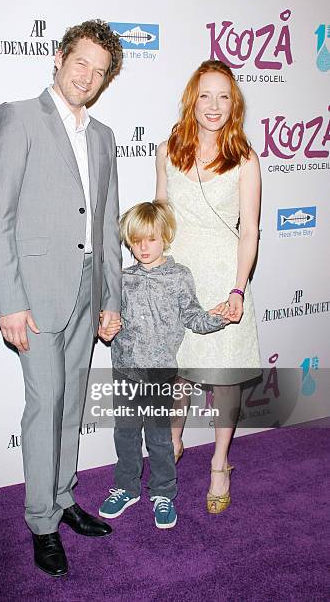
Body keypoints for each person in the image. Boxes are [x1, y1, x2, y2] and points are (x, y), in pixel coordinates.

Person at [0, 20, 123, 577]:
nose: (87, 76)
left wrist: (112, 298)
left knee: (70, 407)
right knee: (44, 408)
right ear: (59, 57)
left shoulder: (105, 136)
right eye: (80, 62)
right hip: (35, 297)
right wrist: (8, 301)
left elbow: (108, 224)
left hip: (88, 291)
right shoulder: (18, 116)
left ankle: (63, 500)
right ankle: (41, 521)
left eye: (99, 71)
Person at [155, 59, 262, 514]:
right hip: (179, 272)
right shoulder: (165, 151)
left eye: (223, 96)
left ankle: (220, 462)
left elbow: (251, 230)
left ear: (233, 102)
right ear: (191, 100)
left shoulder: (245, 158)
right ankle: (173, 444)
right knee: (178, 369)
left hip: (224, 275)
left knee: (225, 373)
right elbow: (159, 215)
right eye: (205, 95)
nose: (213, 106)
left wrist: (238, 289)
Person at [98, 201, 229, 529]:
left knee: (159, 438)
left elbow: (193, 317)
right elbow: (107, 319)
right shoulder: (121, 279)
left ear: (165, 237)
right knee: (125, 435)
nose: (144, 247)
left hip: (160, 374)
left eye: (151, 239)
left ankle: (163, 493)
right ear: (129, 240)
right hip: (125, 371)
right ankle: (126, 487)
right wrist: (106, 325)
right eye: (137, 240)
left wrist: (218, 318)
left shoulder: (180, 276)